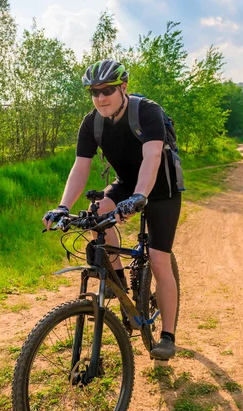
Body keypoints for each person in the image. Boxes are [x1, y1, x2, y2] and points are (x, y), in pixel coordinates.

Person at [42, 59, 182, 359]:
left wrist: (140, 196)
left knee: (159, 260)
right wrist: (63, 206)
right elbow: (80, 168)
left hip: (161, 191)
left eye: (107, 90)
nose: (101, 97)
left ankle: (168, 335)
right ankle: (120, 289)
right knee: (95, 216)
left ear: (123, 87)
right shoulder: (91, 122)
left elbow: (153, 157)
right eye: (94, 92)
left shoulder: (147, 112)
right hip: (126, 185)